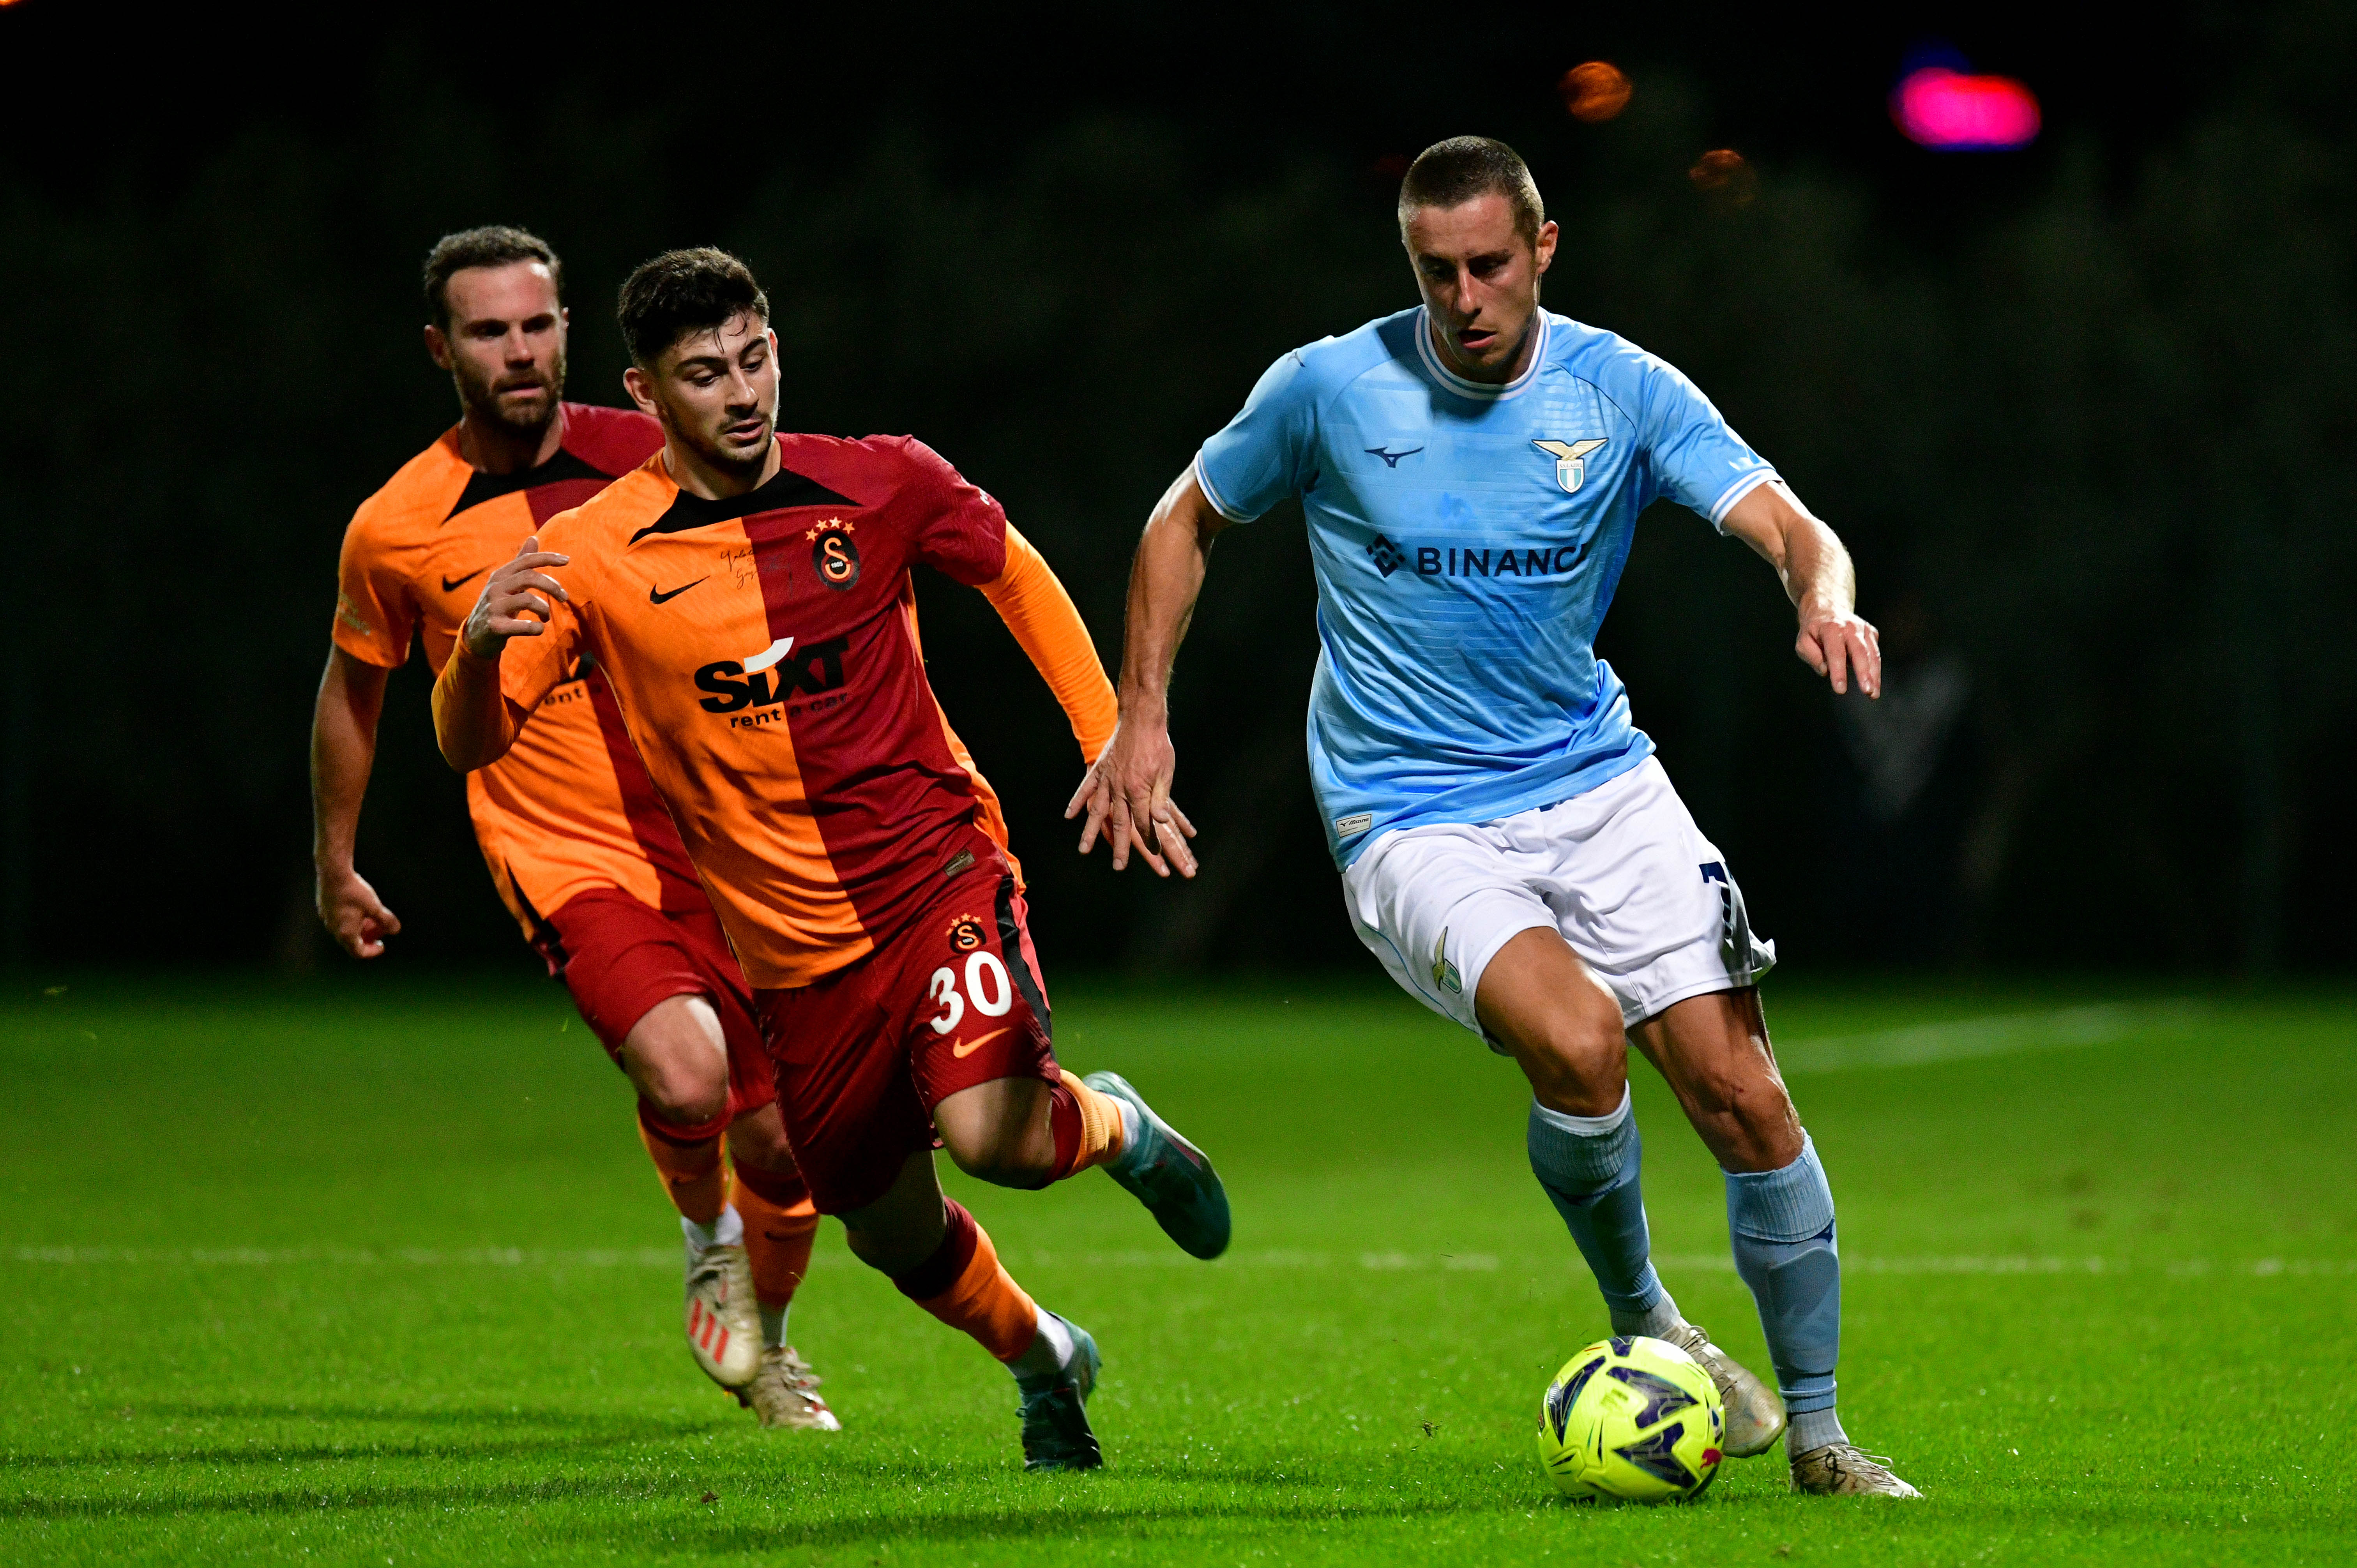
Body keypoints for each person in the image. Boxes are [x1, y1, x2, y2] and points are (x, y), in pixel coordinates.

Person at [1077, 136, 1918, 1497]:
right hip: (1408, 812)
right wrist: (1143, 715)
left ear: (1543, 252)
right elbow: (1185, 520)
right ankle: (1646, 1314)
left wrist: (1820, 594)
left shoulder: (1622, 389)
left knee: (1745, 1099)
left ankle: (1821, 1439)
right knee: (1580, 1044)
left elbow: (1788, 523)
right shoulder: (1328, 388)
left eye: (1488, 266)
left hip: (1595, 780)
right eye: (1434, 270)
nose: (1463, 297)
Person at [431, 247, 1229, 1472]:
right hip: (794, 967)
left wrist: (1111, 738)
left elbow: (1010, 571)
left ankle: (1114, 1128)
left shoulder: (880, 483)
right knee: (891, 1234)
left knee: (996, 1142)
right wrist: (476, 654)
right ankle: (1046, 1360)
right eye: (706, 374)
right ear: (646, 396)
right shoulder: (593, 556)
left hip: (936, 878)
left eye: (757, 359)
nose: (744, 394)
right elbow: (473, 742)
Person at [312, 226, 834, 1430]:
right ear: (443, 349)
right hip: (563, 849)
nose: (521, 352)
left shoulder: (651, 457)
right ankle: (706, 1241)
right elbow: (353, 690)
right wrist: (337, 865)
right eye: (490, 333)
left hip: (722, 837)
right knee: (686, 1070)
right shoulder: (398, 526)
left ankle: (769, 1350)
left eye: (538, 325)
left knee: (786, 1154)